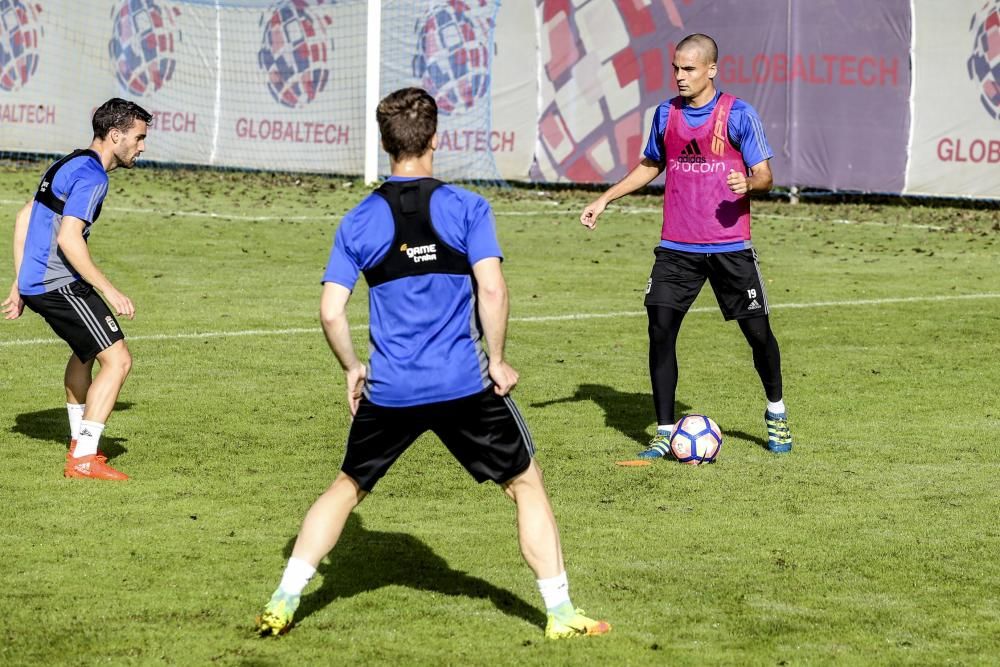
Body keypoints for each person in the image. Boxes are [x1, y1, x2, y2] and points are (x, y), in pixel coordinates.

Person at [255, 87, 610, 640]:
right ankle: (561, 613)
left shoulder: (358, 221)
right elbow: (492, 290)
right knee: (525, 484)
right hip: (463, 383)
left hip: (391, 388)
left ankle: (284, 597)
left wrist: (353, 368)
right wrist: (497, 359)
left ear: (383, 143)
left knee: (347, 486)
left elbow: (330, 312)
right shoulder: (467, 207)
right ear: (436, 139)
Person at [580, 34, 793, 458]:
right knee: (659, 331)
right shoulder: (665, 114)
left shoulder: (739, 114)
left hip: (730, 247)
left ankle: (776, 411)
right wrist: (605, 198)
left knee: (758, 334)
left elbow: (766, 176)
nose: (680, 76)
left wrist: (748, 183)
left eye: (690, 68)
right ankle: (663, 431)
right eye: (676, 68)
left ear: (711, 69)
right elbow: (650, 165)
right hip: (676, 248)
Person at [2, 98, 151, 480]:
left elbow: (24, 216)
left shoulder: (66, 162)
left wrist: (21, 281)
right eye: (138, 137)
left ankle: (77, 443)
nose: (142, 146)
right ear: (115, 135)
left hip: (40, 282)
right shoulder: (93, 176)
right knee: (118, 361)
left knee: (84, 352)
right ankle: (83, 457)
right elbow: (70, 240)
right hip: (59, 283)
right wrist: (111, 290)